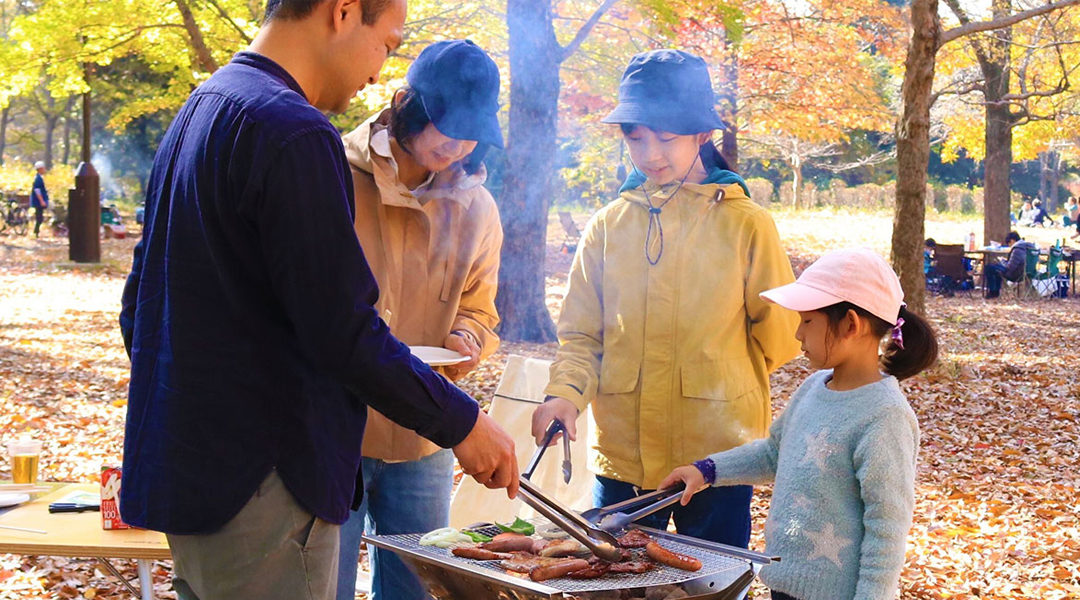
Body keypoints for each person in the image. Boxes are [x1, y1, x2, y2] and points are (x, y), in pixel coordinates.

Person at [118, 3, 519, 600]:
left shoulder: (201, 109)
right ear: (343, 11)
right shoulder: (294, 133)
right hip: (264, 486)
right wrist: (463, 422)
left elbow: (140, 309)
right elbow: (342, 331)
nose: (379, 71)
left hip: (194, 474)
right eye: (387, 43)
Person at [531, 49, 801, 551]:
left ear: (702, 134)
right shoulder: (609, 226)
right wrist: (564, 394)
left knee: (712, 581)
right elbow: (582, 336)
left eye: (666, 137)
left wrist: (715, 375)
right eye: (636, 137)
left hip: (717, 458)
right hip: (624, 459)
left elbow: (782, 337)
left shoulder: (747, 224)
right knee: (618, 580)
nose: (650, 153)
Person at [660, 247, 939, 600]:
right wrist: (706, 471)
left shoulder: (885, 416)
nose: (797, 334)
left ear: (850, 324)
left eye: (807, 321)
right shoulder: (813, 387)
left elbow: (887, 526)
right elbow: (774, 453)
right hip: (782, 584)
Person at [335, 40, 504, 600]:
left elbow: (481, 306)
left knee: (417, 590)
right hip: (336, 425)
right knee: (324, 584)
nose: (457, 145)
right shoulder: (334, 174)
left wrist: (468, 335)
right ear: (404, 103)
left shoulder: (476, 206)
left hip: (426, 433)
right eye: (446, 126)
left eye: (471, 132)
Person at [983, 231, 1035, 299]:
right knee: (996, 267)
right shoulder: (1029, 248)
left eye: (1009, 244)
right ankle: (995, 291)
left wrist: (1002, 261)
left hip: (1015, 274)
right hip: (1027, 273)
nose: (1010, 246)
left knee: (989, 268)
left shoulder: (1017, 249)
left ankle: (993, 292)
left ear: (1012, 241)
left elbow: (1010, 267)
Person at [31, 161, 48, 238]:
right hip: (38, 202)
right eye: (43, 168)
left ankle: (36, 232)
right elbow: (37, 190)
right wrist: (41, 201)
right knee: (39, 218)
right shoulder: (38, 179)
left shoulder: (39, 178)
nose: (44, 169)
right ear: (40, 169)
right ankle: (36, 232)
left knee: (40, 217)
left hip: (38, 201)